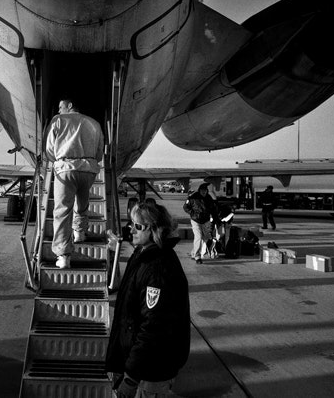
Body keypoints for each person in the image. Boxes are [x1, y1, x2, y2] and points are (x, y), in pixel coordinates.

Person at [105, 203, 190, 398]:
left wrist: (131, 378)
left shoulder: (158, 269)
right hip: (142, 365)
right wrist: (118, 245)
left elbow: (153, 328)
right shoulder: (145, 252)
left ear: (154, 230)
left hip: (149, 371)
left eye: (138, 226)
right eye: (131, 224)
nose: (131, 229)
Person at [45, 98, 104, 269]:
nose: (58, 110)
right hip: (88, 170)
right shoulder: (94, 123)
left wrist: (57, 160)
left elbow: (49, 149)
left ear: (70, 106)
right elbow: (100, 151)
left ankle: (63, 255)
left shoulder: (58, 120)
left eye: (60, 106)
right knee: (82, 201)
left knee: (63, 210)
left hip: (66, 168)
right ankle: (79, 232)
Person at [183, 183, 220, 263]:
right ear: (199, 191)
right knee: (198, 236)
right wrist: (192, 213)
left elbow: (213, 209)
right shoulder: (193, 198)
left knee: (206, 237)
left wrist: (215, 220)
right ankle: (197, 257)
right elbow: (185, 207)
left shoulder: (209, 198)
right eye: (202, 190)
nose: (204, 192)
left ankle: (193, 252)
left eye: (205, 191)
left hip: (205, 221)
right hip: (195, 220)